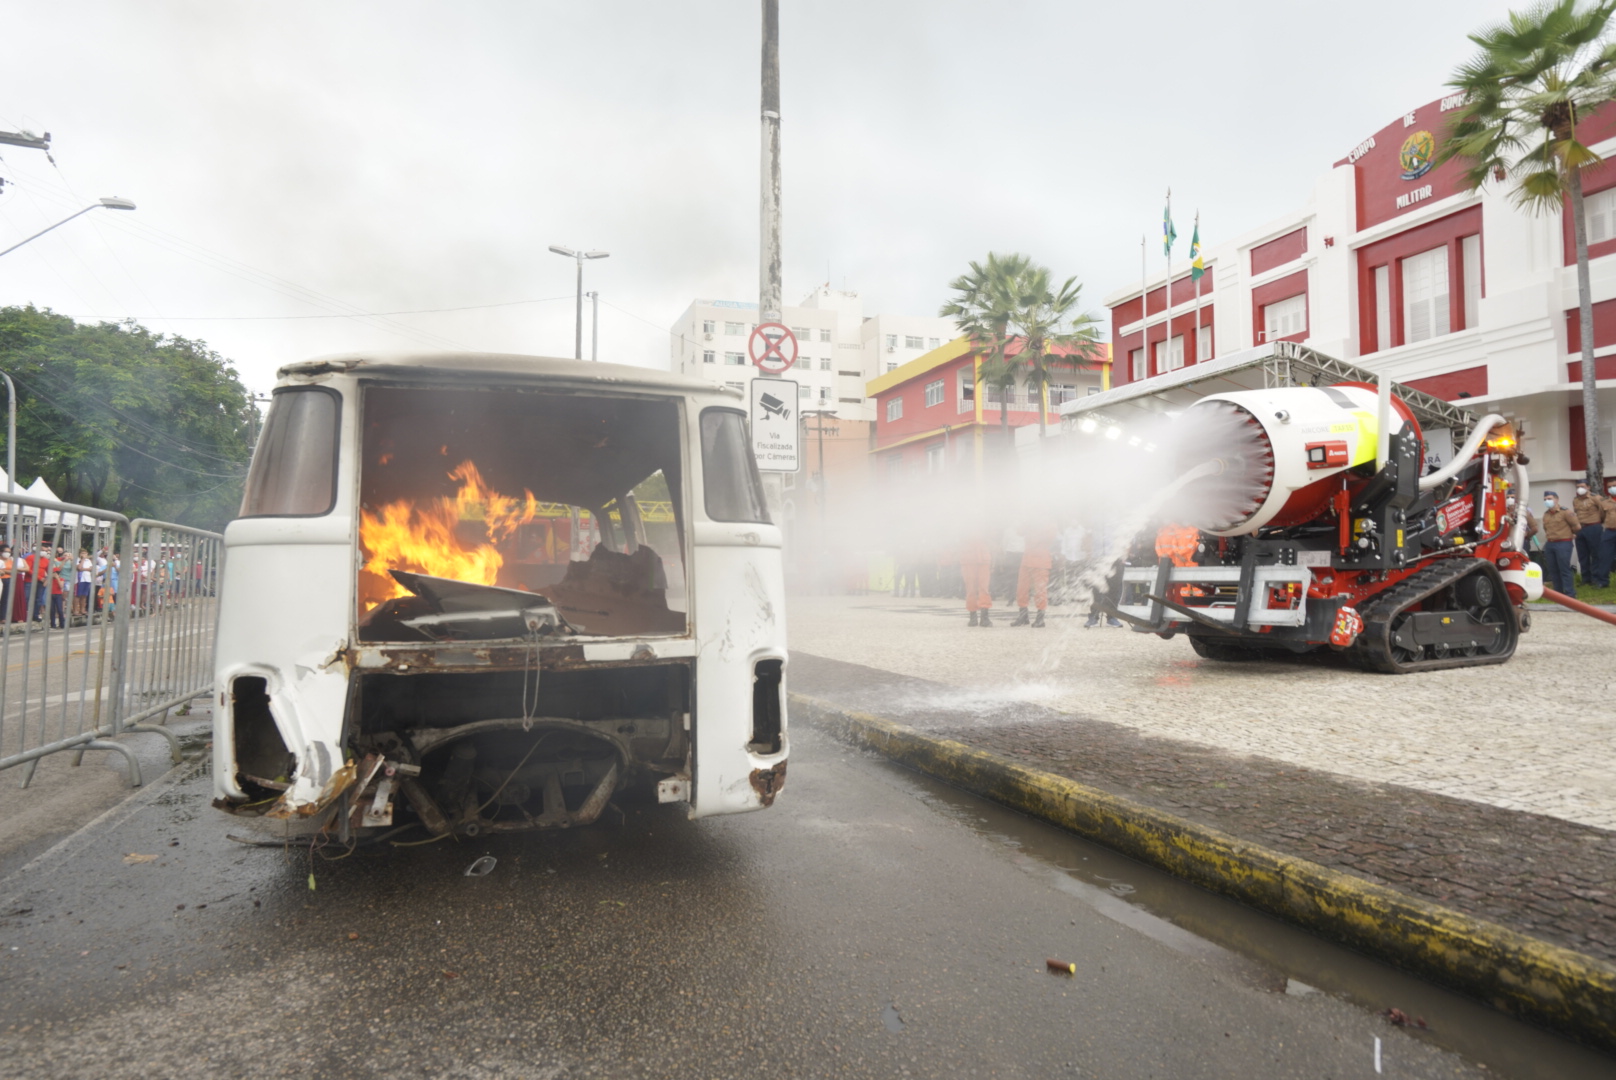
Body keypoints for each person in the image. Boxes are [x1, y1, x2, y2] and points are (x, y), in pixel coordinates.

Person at [1012, 520, 1056, 627]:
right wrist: (1028, 521)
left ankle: (1040, 619)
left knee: (1040, 591)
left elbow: (1050, 537)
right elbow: (1019, 532)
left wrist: (1037, 525)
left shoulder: (1048, 521)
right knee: (1021, 589)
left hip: (1041, 561)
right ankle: (1023, 616)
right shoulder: (1029, 520)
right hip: (1027, 560)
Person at [1540, 491, 1581, 596]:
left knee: (1564, 568)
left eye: (1549, 499)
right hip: (1550, 543)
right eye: (1545, 499)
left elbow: (1576, 526)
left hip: (1563, 543)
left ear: (1557, 499)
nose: (1547, 501)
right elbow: (1546, 528)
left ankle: (1569, 593)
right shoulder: (1546, 514)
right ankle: (1558, 593)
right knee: (1553, 569)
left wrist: (1571, 534)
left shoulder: (1565, 512)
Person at [1571, 482, 1608, 588]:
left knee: (1596, 554)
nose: (1580, 489)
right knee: (1583, 555)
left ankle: (1596, 578)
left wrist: (1599, 522)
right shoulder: (1576, 500)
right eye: (1578, 487)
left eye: (1582, 487)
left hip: (1593, 527)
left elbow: (1604, 511)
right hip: (1580, 528)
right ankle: (1586, 579)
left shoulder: (1595, 498)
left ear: (1588, 487)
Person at [961, 527, 994, 627]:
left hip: (972, 558)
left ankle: (975, 617)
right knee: (978, 589)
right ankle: (982, 617)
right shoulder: (984, 525)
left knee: (975, 589)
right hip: (976, 558)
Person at [73, 547, 93, 619]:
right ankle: (75, 610)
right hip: (79, 579)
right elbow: (79, 568)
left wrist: (84, 569)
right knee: (77, 595)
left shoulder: (88, 561)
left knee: (84, 595)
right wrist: (83, 560)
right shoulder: (77, 560)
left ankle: (82, 610)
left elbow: (91, 568)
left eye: (85, 553)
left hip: (87, 579)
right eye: (82, 553)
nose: (84, 554)